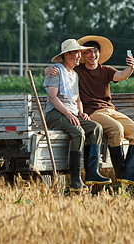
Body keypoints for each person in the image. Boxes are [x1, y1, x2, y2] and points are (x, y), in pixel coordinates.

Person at [45, 35, 134, 188]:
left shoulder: (99, 71)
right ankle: (117, 175)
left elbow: (121, 75)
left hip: (109, 110)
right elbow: (54, 78)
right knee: (115, 129)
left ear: (99, 54)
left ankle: (130, 173)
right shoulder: (76, 70)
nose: (90, 55)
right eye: (86, 52)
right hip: (93, 112)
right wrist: (46, 69)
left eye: (95, 52)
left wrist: (131, 68)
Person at [44, 39, 112, 192]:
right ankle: (75, 180)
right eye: (77, 53)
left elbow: (78, 98)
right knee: (78, 131)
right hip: (55, 114)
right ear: (67, 54)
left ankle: (92, 173)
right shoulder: (55, 71)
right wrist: (68, 114)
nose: (79, 56)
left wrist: (81, 112)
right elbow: (52, 97)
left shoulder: (75, 74)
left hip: (73, 113)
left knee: (96, 128)